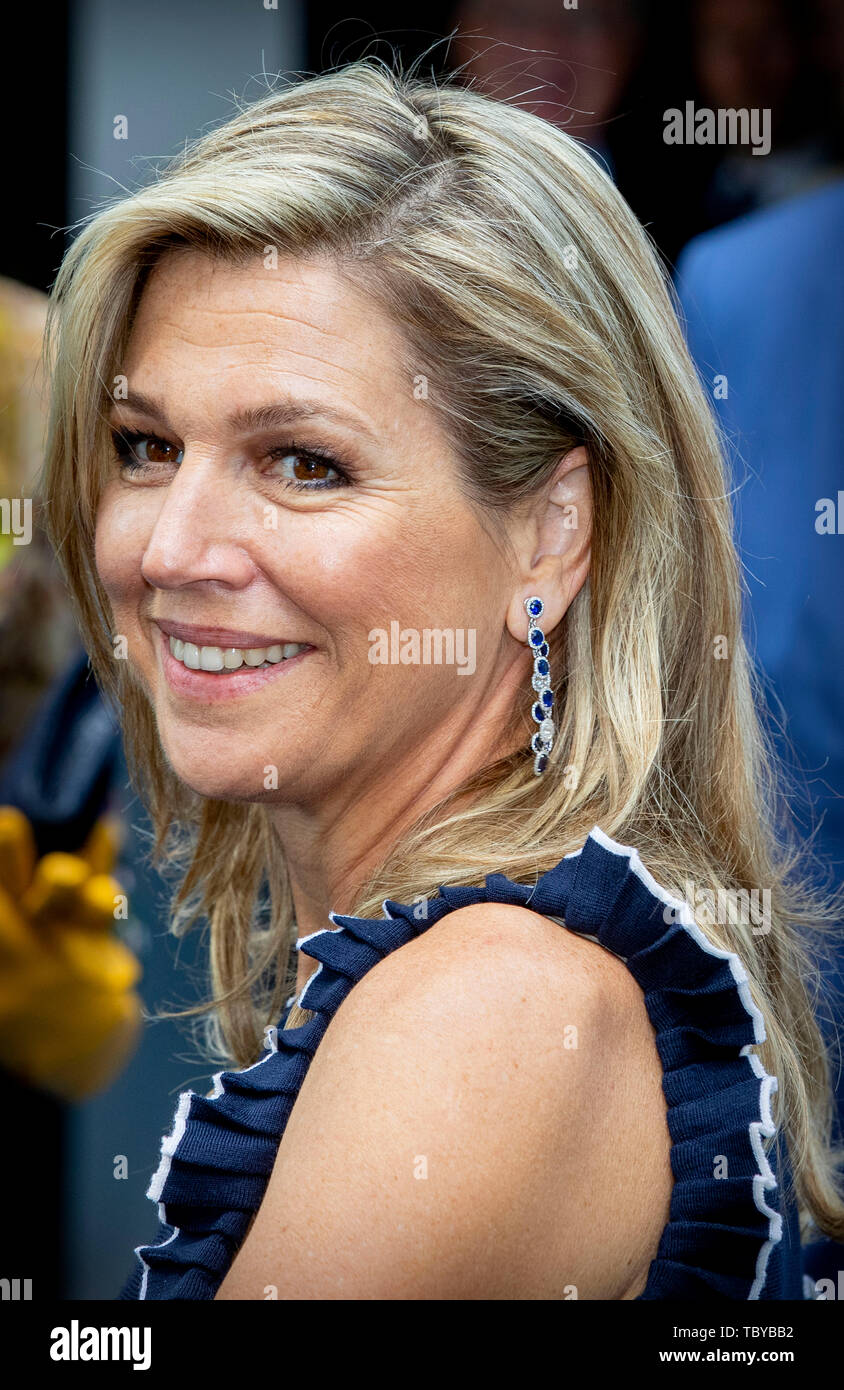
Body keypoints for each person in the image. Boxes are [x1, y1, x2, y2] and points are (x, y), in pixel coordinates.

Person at [39, 57, 844, 1301]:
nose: (170, 549)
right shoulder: (482, 971)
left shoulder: (488, 1015)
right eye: (145, 445)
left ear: (551, 535)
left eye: (302, 463)